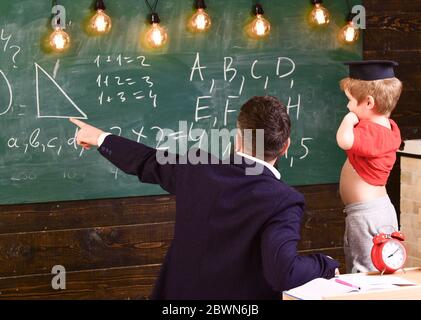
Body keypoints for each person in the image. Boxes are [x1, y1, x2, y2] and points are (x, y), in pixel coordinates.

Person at [70, 96, 339, 299]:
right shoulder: (284, 200)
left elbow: (145, 160)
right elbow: (284, 271)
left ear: (238, 138)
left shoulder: (196, 168)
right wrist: (323, 264)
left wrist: (99, 137)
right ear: (286, 146)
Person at [336, 61, 403, 273]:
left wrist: (349, 119)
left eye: (350, 101)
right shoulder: (387, 127)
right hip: (373, 211)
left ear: (368, 103)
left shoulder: (373, 132)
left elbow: (344, 140)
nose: (348, 107)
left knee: (367, 272)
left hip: (367, 215)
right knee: (372, 268)